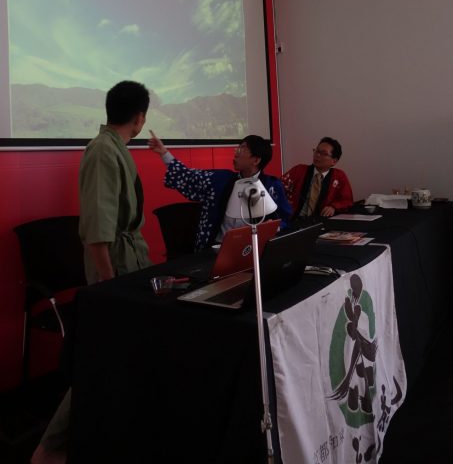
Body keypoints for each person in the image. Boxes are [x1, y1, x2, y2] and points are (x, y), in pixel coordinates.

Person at [31, 81, 152, 464]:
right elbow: (98, 230)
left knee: (118, 354)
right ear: (139, 118)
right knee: (102, 357)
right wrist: (109, 284)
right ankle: (49, 448)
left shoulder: (114, 148)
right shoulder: (103, 151)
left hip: (127, 263)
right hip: (114, 270)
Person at [148, 132, 292, 248]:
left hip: (255, 249)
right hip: (217, 247)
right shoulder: (221, 180)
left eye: (242, 148)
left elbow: (285, 219)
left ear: (256, 160)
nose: (236, 152)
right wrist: (164, 153)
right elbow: (188, 176)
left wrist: (274, 227)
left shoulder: (271, 186)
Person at [282, 137, 353, 219]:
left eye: (324, 153)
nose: (317, 155)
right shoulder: (299, 170)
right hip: (294, 219)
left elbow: (347, 201)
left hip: (321, 221)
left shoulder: (339, 176)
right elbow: (278, 187)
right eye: (317, 151)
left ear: (334, 161)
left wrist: (333, 207)